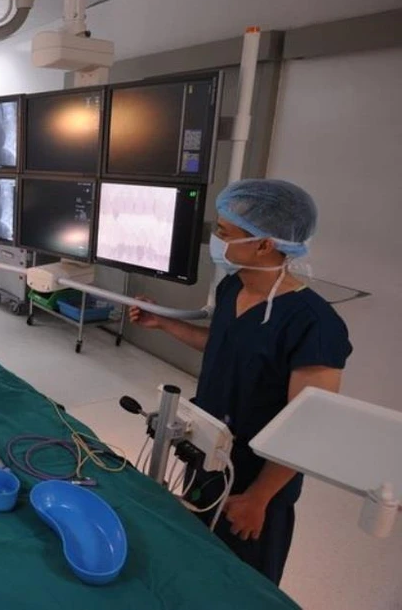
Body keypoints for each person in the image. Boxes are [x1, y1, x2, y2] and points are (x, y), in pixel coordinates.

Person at [128, 179, 352, 585]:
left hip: (255, 480)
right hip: (207, 450)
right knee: (195, 560)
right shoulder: (233, 286)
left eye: (224, 233)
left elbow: (309, 425)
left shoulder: (314, 325)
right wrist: (163, 323)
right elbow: (222, 344)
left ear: (264, 245)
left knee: (239, 582)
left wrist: (259, 497)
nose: (215, 241)